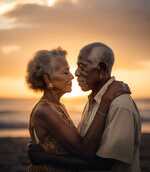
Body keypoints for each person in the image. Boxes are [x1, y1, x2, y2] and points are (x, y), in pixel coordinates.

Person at [28, 42, 141, 172]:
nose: (74, 74)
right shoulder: (93, 102)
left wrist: (44, 157)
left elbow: (101, 163)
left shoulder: (120, 105)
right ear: (48, 79)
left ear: (101, 69)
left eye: (81, 67)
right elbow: (82, 149)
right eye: (66, 72)